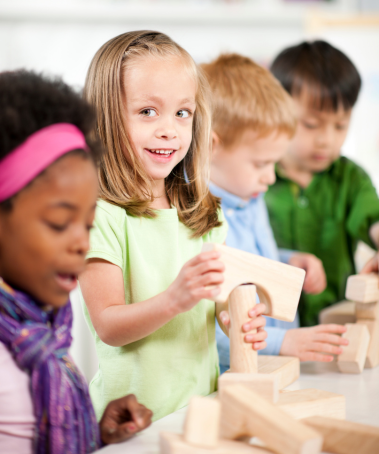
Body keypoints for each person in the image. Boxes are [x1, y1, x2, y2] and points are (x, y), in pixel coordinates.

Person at [78, 31, 268, 422]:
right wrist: (174, 299)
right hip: (130, 424)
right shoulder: (101, 217)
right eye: (148, 111)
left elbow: (216, 307)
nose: (170, 129)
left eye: (183, 113)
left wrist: (235, 320)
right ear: (107, 118)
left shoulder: (205, 215)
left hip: (202, 409)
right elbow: (109, 325)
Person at [0, 71, 153, 454]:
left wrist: (93, 433)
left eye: (87, 225)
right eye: (57, 223)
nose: (81, 244)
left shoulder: (39, 330)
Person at [201, 53, 348, 374]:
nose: (270, 177)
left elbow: (249, 268)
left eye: (274, 163)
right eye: (260, 164)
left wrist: (287, 260)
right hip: (232, 377)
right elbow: (202, 330)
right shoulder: (198, 220)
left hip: (273, 369)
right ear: (210, 147)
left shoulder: (249, 196)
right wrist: (283, 342)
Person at [266, 40, 379, 326]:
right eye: (311, 124)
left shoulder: (350, 178)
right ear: (277, 109)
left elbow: (372, 221)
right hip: (270, 332)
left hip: (336, 326)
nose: (327, 139)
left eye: (340, 125)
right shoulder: (256, 177)